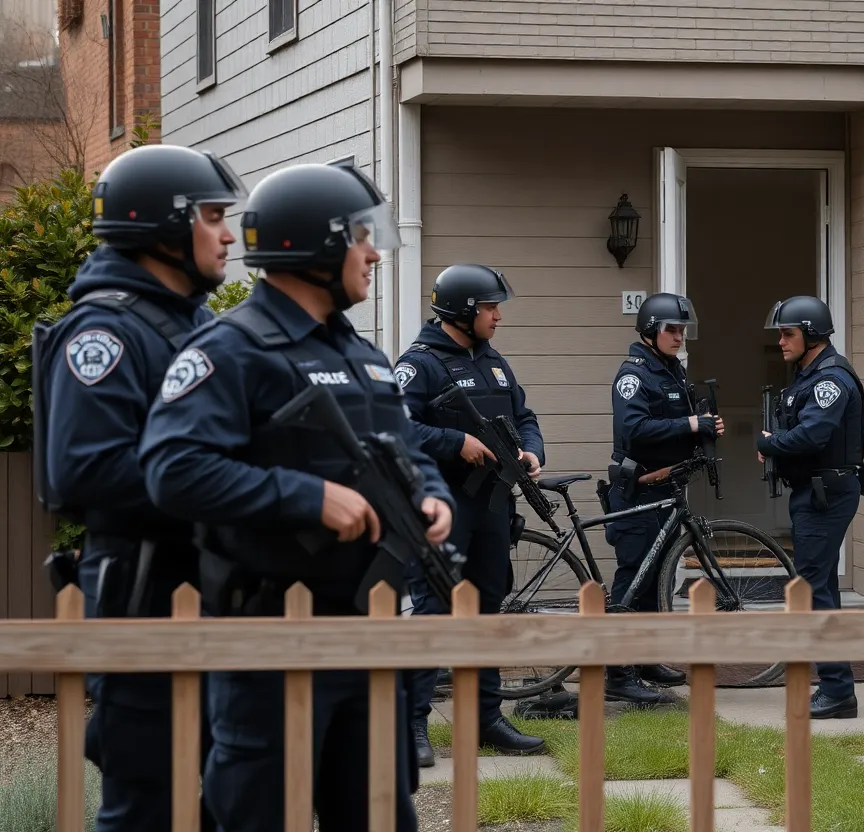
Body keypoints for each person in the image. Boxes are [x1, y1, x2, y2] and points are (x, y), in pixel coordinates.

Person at [138, 159, 454, 831]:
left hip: (369, 645)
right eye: (360, 238)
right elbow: (173, 468)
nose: (372, 254)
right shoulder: (231, 349)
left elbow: (410, 452)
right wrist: (306, 498)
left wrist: (432, 498)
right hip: (270, 646)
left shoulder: (364, 355)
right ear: (318, 246)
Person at [33, 143, 246, 832]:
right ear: (163, 227)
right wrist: (229, 486)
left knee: (219, 803)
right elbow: (85, 469)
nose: (229, 233)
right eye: (213, 216)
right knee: (148, 806)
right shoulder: (106, 332)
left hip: (213, 590)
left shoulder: (199, 325)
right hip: (143, 592)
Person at [393, 263, 547, 765]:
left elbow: (524, 417)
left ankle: (485, 719)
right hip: (441, 506)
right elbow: (395, 430)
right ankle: (414, 726)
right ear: (462, 310)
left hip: (493, 506)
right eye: (490, 307)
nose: (498, 315)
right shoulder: (419, 366)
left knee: (487, 613)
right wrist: (455, 441)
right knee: (433, 612)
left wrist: (531, 450)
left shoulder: (495, 362)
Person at [605, 292, 723, 705]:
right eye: (672, 329)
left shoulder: (672, 371)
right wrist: (690, 422)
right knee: (634, 576)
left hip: (666, 488)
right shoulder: (634, 374)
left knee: (659, 578)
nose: (679, 336)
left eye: (682, 329)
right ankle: (617, 673)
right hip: (637, 489)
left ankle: (645, 658)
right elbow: (634, 428)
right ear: (651, 331)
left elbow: (679, 423)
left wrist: (704, 426)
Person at [756, 296, 864, 720]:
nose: (781, 342)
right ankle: (833, 683)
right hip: (813, 491)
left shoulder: (830, 379)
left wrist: (769, 444)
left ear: (813, 335)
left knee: (815, 588)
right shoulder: (807, 375)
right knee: (818, 587)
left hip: (828, 494)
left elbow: (813, 434)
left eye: (788, 334)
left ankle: (838, 690)